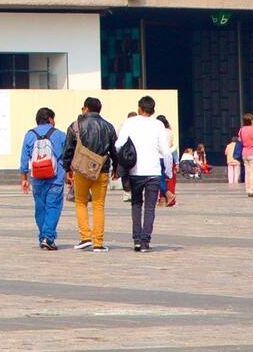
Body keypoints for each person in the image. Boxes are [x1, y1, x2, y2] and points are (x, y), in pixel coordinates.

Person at [115, 97, 172, 252]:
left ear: (139, 108)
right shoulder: (158, 125)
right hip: (153, 171)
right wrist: (168, 172)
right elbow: (166, 151)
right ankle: (146, 241)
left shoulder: (130, 122)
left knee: (136, 204)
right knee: (150, 207)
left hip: (134, 171)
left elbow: (119, 144)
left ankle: (137, 240)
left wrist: (123, 159)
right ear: (153, 110)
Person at [60, 97, 117, 252]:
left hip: (81, 169)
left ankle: (85, 237)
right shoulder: (109, 127)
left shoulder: (75, 125)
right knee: (99, 205)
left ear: (85, 108)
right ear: (99, 109)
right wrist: (117, 167)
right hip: (102, 169)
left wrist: (67, 169)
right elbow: (114, 150)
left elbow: (68, 149)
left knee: (80, 202)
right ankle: (98, 243)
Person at [18, 107, 67, 251]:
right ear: (50, 119)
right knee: (53, 207)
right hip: (55, 178)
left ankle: (43, 237)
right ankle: (48, 237)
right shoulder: (59, 135)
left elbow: (24, 158)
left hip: (37, 178)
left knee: (40, 208)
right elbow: (67, 155)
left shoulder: (29, 135)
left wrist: (24, 178)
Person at [237, 114, 253, 197]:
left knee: (248, 172)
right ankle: (252, 190)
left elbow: (240, 139)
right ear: (252, 121)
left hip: (245, 153)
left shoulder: (241, 130)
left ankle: (248, 190)